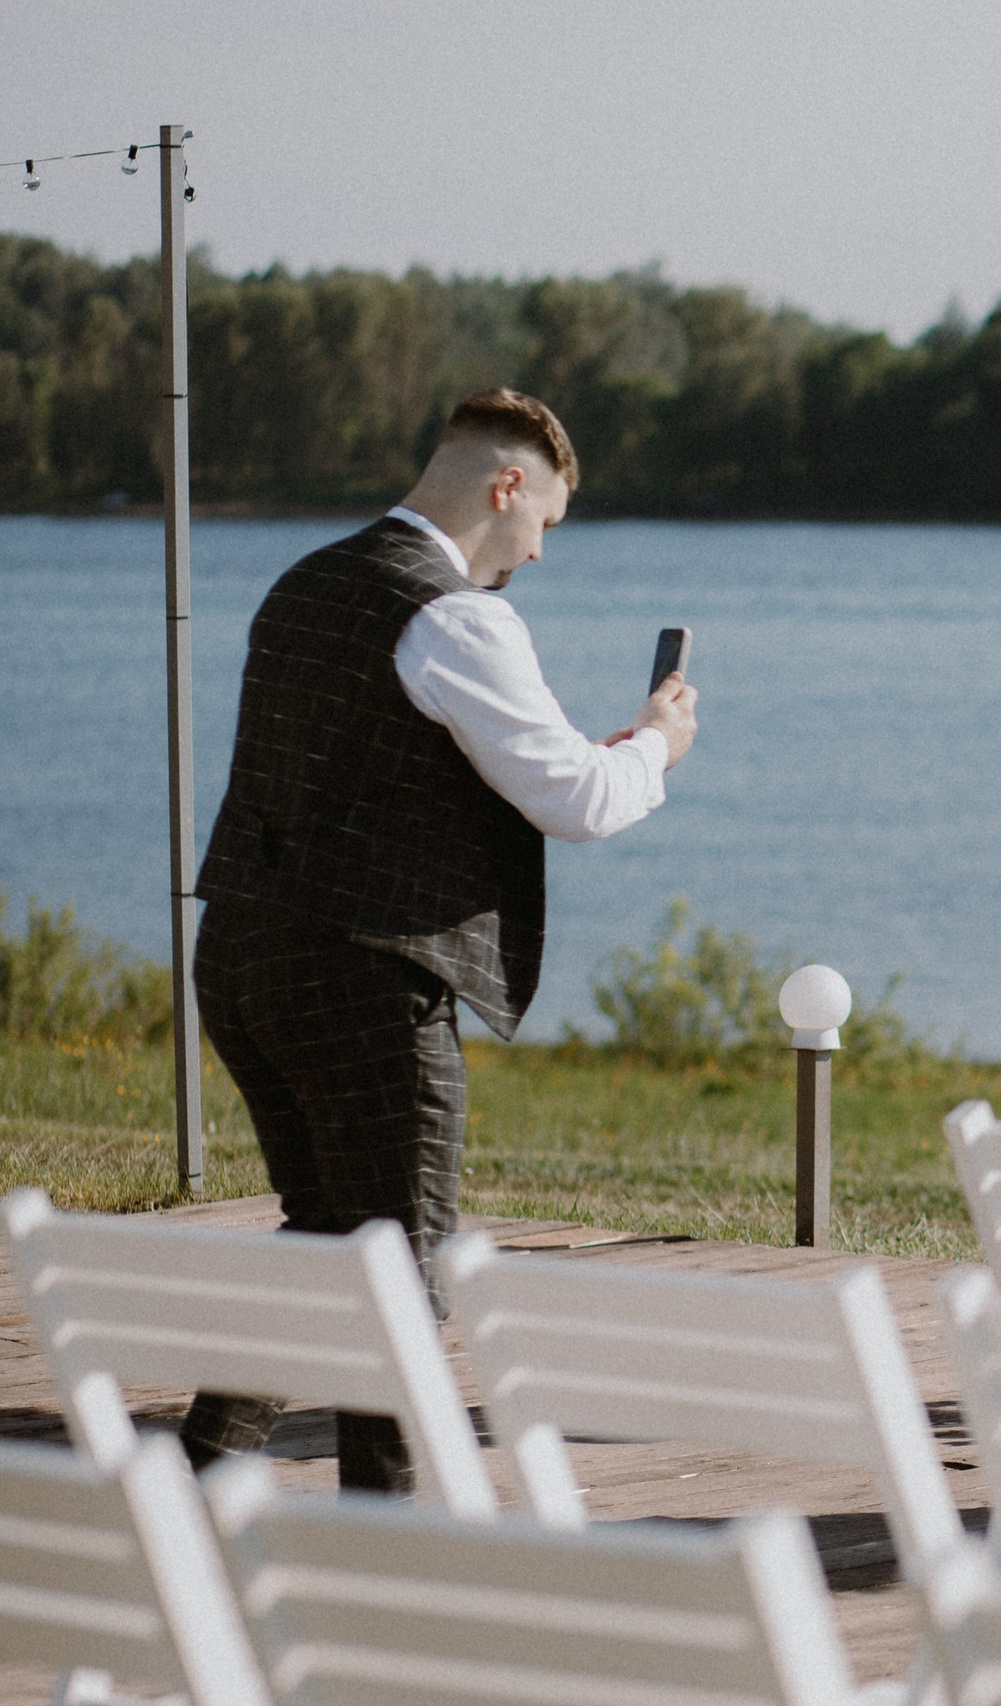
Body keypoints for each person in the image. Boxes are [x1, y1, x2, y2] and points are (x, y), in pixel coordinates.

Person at [183, 388, 698, 1492]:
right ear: (507, 487)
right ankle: (390, 1540)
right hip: (360, 978)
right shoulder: (455, 613)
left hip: (238, 955)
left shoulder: (303, 581)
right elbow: (575, 795)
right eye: (544, 523)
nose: (539, 552)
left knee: (324, 1229)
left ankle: (191, 1474)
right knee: (404, 1272)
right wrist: (656, 742)